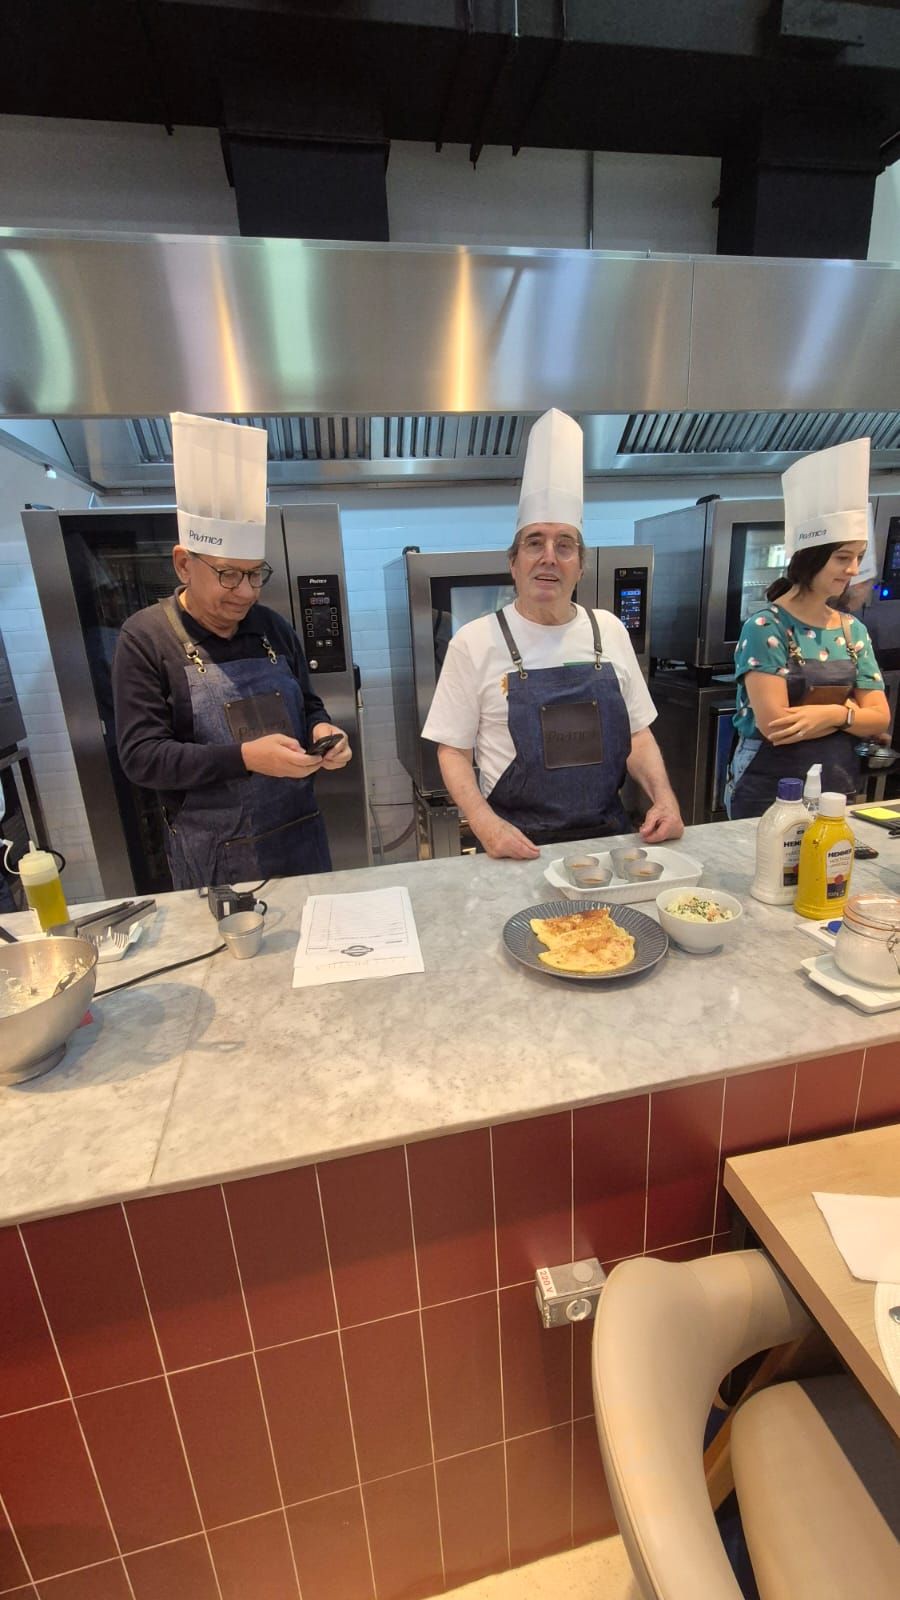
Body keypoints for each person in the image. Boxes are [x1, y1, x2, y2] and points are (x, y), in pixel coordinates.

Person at [421, 409, 684, 859]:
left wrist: (664, 797)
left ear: (580, 566)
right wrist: (486, 828)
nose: (549, 557)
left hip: (610, 843)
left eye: (564, 545)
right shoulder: (477, 641)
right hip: (517, 845)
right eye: (534, 543)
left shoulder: (610, 631)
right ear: (513, 563)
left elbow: (637, 735)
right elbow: (453, 751)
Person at [112, 413, 351, 888]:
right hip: (215, 858)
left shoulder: (272, 627)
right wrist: (244, 758)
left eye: (254, 573)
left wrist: (323, 728)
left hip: (301, 838)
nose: (245, 593)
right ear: (184, 563)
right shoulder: (145, 639)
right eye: (227, 574)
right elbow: (143, 758)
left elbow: (308, 704)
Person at [726, 437, 890, 820]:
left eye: (858, 558)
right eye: (842, 558)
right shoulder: (766, 627)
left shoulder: (853, 631)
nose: (852, 570)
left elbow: (881, 718)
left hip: (837, 787)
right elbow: (776, 726)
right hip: (767, 789)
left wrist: (831, 717)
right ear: (812, 557)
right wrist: (851, 715)